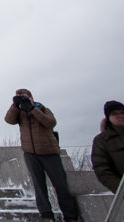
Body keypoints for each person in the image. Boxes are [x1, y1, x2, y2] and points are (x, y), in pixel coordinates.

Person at [4, 88, 79, 222]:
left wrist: (32, 109)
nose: (23, 98)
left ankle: (70, 215)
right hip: (30, 153)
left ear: (31, 97)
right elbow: (9, 120)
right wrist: (15, 105)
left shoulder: (42, 108)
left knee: (60, 184)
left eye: (25, 96)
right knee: (39, 185)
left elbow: (50, 122)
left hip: (49, 152)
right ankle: (46, 215)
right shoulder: (19, 113)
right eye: (19, 96)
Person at [91, 100, 124, 221]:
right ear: (109, 118)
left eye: (123, 112)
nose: (120, 116)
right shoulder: (102, 141)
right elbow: (102, 170)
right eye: (115, 114)